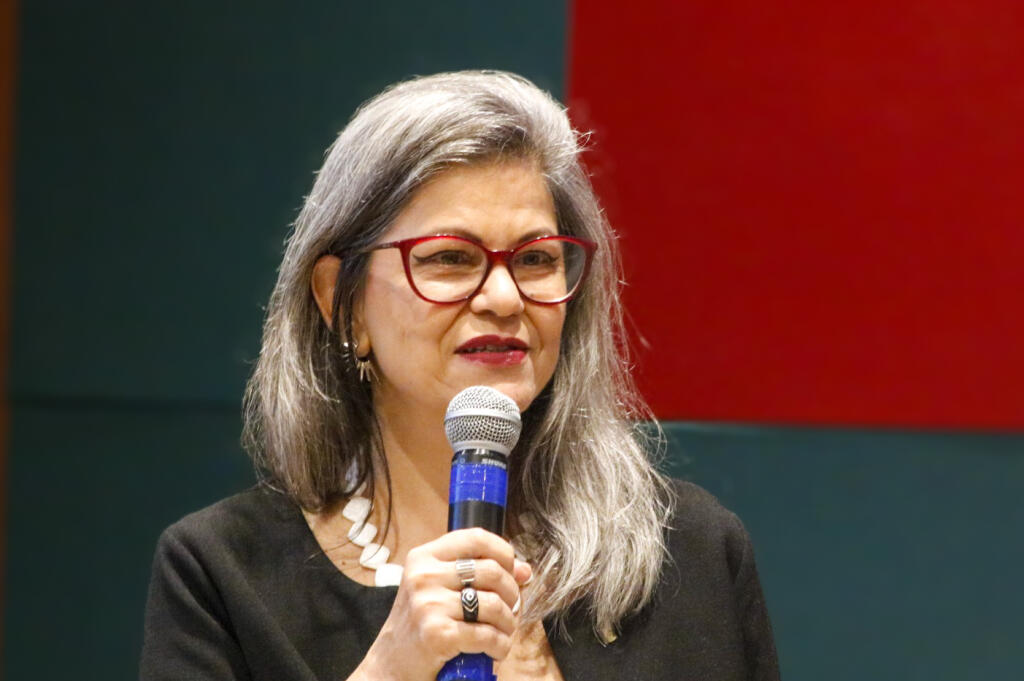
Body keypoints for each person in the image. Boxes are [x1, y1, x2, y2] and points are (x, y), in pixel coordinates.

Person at [140, 70, 779, 681]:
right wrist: (390, 668)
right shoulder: (221, 574)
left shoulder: (693, 553)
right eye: (450, 258)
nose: (503, 297)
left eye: (535, 259)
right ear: (342, 301)